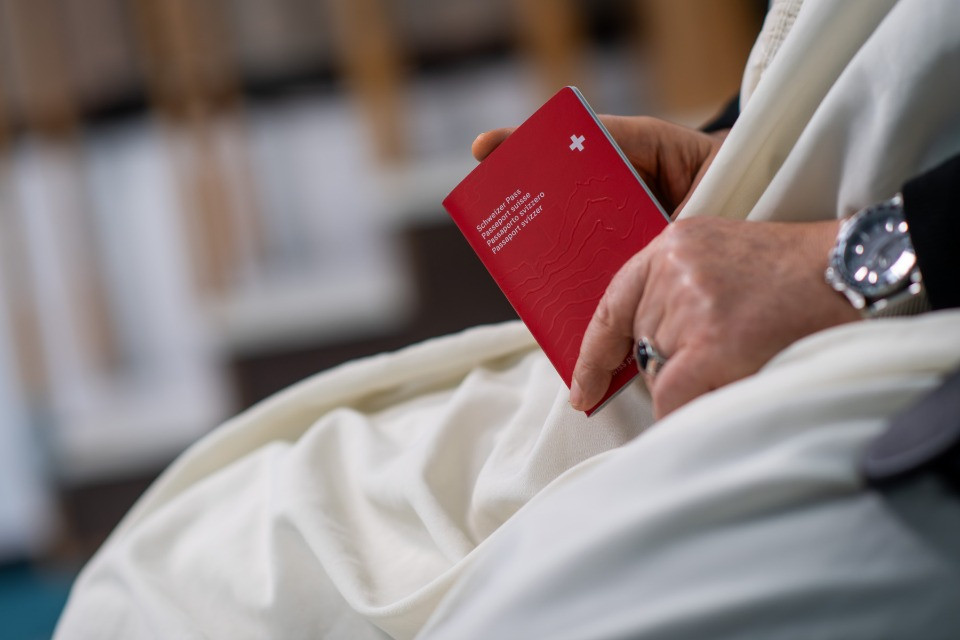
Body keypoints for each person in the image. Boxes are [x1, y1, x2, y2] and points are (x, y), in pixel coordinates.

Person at [56, 0, 960, 638]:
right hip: (749, 269)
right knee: (178, 566)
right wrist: (740, 148)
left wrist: (859, 257)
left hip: (906, 336)